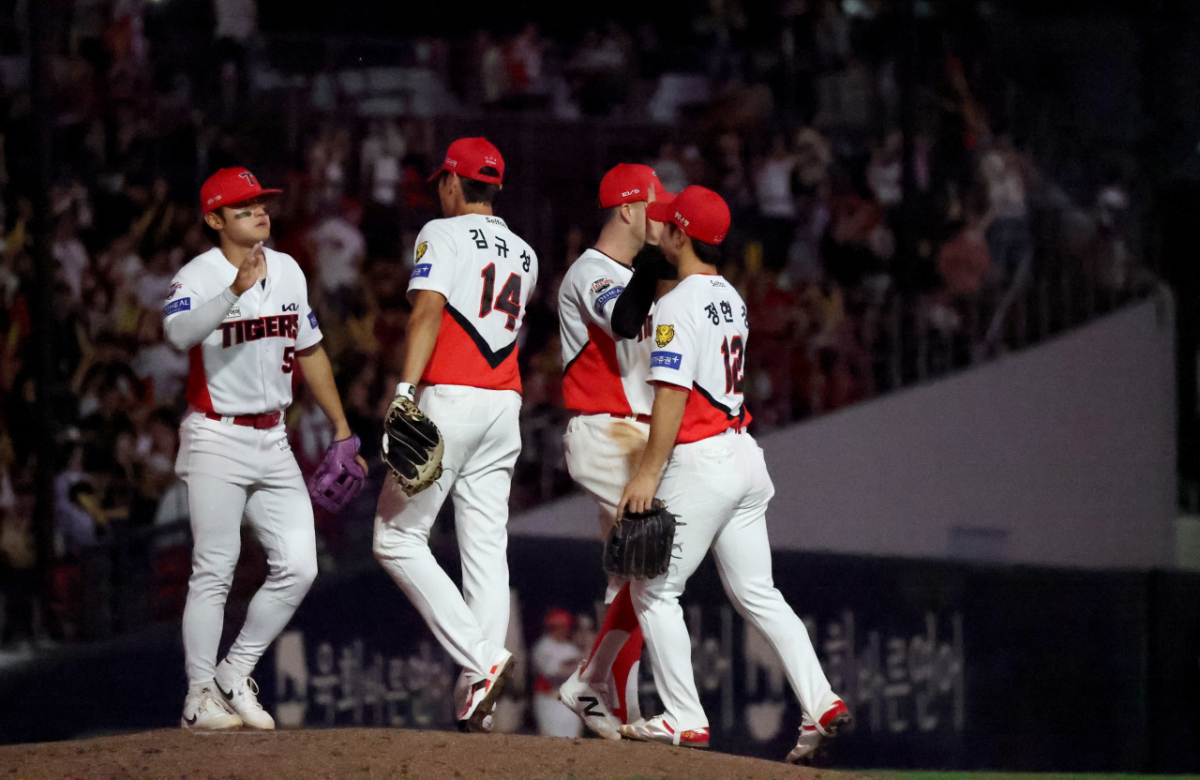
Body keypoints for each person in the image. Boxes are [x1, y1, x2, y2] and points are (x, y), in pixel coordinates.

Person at [616, 186, 851, 760]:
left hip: (703, 460)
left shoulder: (678, 305)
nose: (663, 232)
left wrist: (646, 475)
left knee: (653, 589)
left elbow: (672, 397)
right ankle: (821, 702)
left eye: (670, 225)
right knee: (759, 593)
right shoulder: (732, 296)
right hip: (744, 454)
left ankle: (683, 716)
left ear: (680, 235)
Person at [163, 167, 366, 730]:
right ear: (214, 220)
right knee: (215, 567)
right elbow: (177, 335)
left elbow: (311, 349)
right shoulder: (198, 275)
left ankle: (236, 670)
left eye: (261, 203)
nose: (259, 211)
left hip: (274, 436)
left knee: (300, 566)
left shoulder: (289, 269)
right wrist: (233, 291)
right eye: (244, 206)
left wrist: (342, 428)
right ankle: (198, 695)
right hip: (216, 434)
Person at [372, 138, 538, 732]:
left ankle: (482, 659)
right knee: (486, 549)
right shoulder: (526, 253)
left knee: (395, 538)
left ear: (451, 181)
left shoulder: (440, 233)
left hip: (451, 396)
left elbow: (427, 312)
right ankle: (478, 697)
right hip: (505, 403)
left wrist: (404, 391)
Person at [555, 163, 673, 739]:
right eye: (655, 205)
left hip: (634, 434)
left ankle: (615, 707)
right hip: (609, 433)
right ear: (628, 209)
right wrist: (658, 263)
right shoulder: (592, 271)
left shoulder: (632, 274)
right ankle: (592, 681)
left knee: (634, 580)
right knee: (659, 556)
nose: (664, 215)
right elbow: (625, 320)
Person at [532, 608, 584, 738]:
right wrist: (571, 667)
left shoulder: (570, 648)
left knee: (573, 739)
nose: (564, 630)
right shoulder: (543, 646)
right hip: (549, 698)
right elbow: (551, 671)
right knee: (552, 739)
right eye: (560, 627)